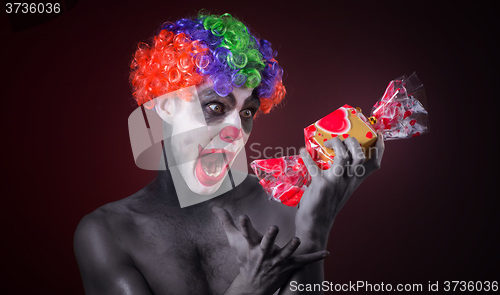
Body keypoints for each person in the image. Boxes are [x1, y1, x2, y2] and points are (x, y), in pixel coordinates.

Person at [74, 12, 384, 295]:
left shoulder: (283, 206)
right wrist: (250, 288)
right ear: (167, 105)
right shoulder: (107, 233)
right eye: (215, 107)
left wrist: (314, 232)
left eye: (247, 112)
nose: (237, 129)